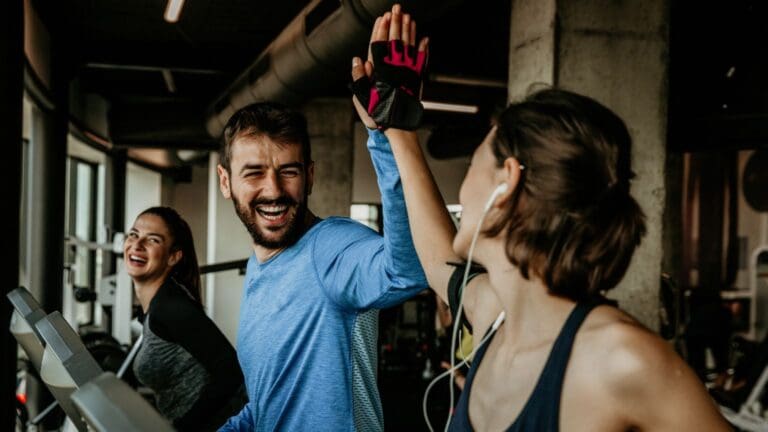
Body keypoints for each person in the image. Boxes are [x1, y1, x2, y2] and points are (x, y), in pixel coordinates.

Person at [350, 5, 732, 430]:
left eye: (475, 162)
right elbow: (437, 256)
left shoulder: (622, 360)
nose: (464, 185)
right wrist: (396, 130)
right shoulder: (495, 314)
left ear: (506, 181)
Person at [215, 65, 428, 429]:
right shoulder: (260, 266)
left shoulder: (330, 247)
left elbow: (408, 272)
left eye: (289, 171)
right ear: (226, 182)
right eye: (253, 173)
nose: (273, 190)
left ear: (310, 176)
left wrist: (386, 137)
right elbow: (267, 408)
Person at [124, 207, 246, 431]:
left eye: (152, 240)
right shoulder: (156, 306)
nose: (137, 244)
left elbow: (231, 372)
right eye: (133, 234)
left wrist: (182, 428)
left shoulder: (170, 307)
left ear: (173, 256)